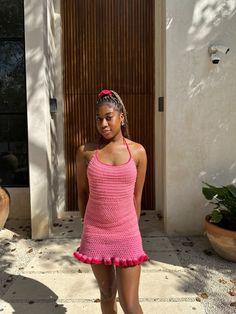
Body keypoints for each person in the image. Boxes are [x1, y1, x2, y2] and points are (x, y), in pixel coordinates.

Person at [73, 89, 149, 314]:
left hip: (127, 233)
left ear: (121, 117)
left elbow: (137, 197)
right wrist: (87, 224)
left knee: (130, 303)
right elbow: (82, 193)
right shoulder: (85, 152)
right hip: (96, 232)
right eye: (99, 119)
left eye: (109, 117)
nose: (103, 124)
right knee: (107, 295)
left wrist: (131, 228)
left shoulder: (138, 152)